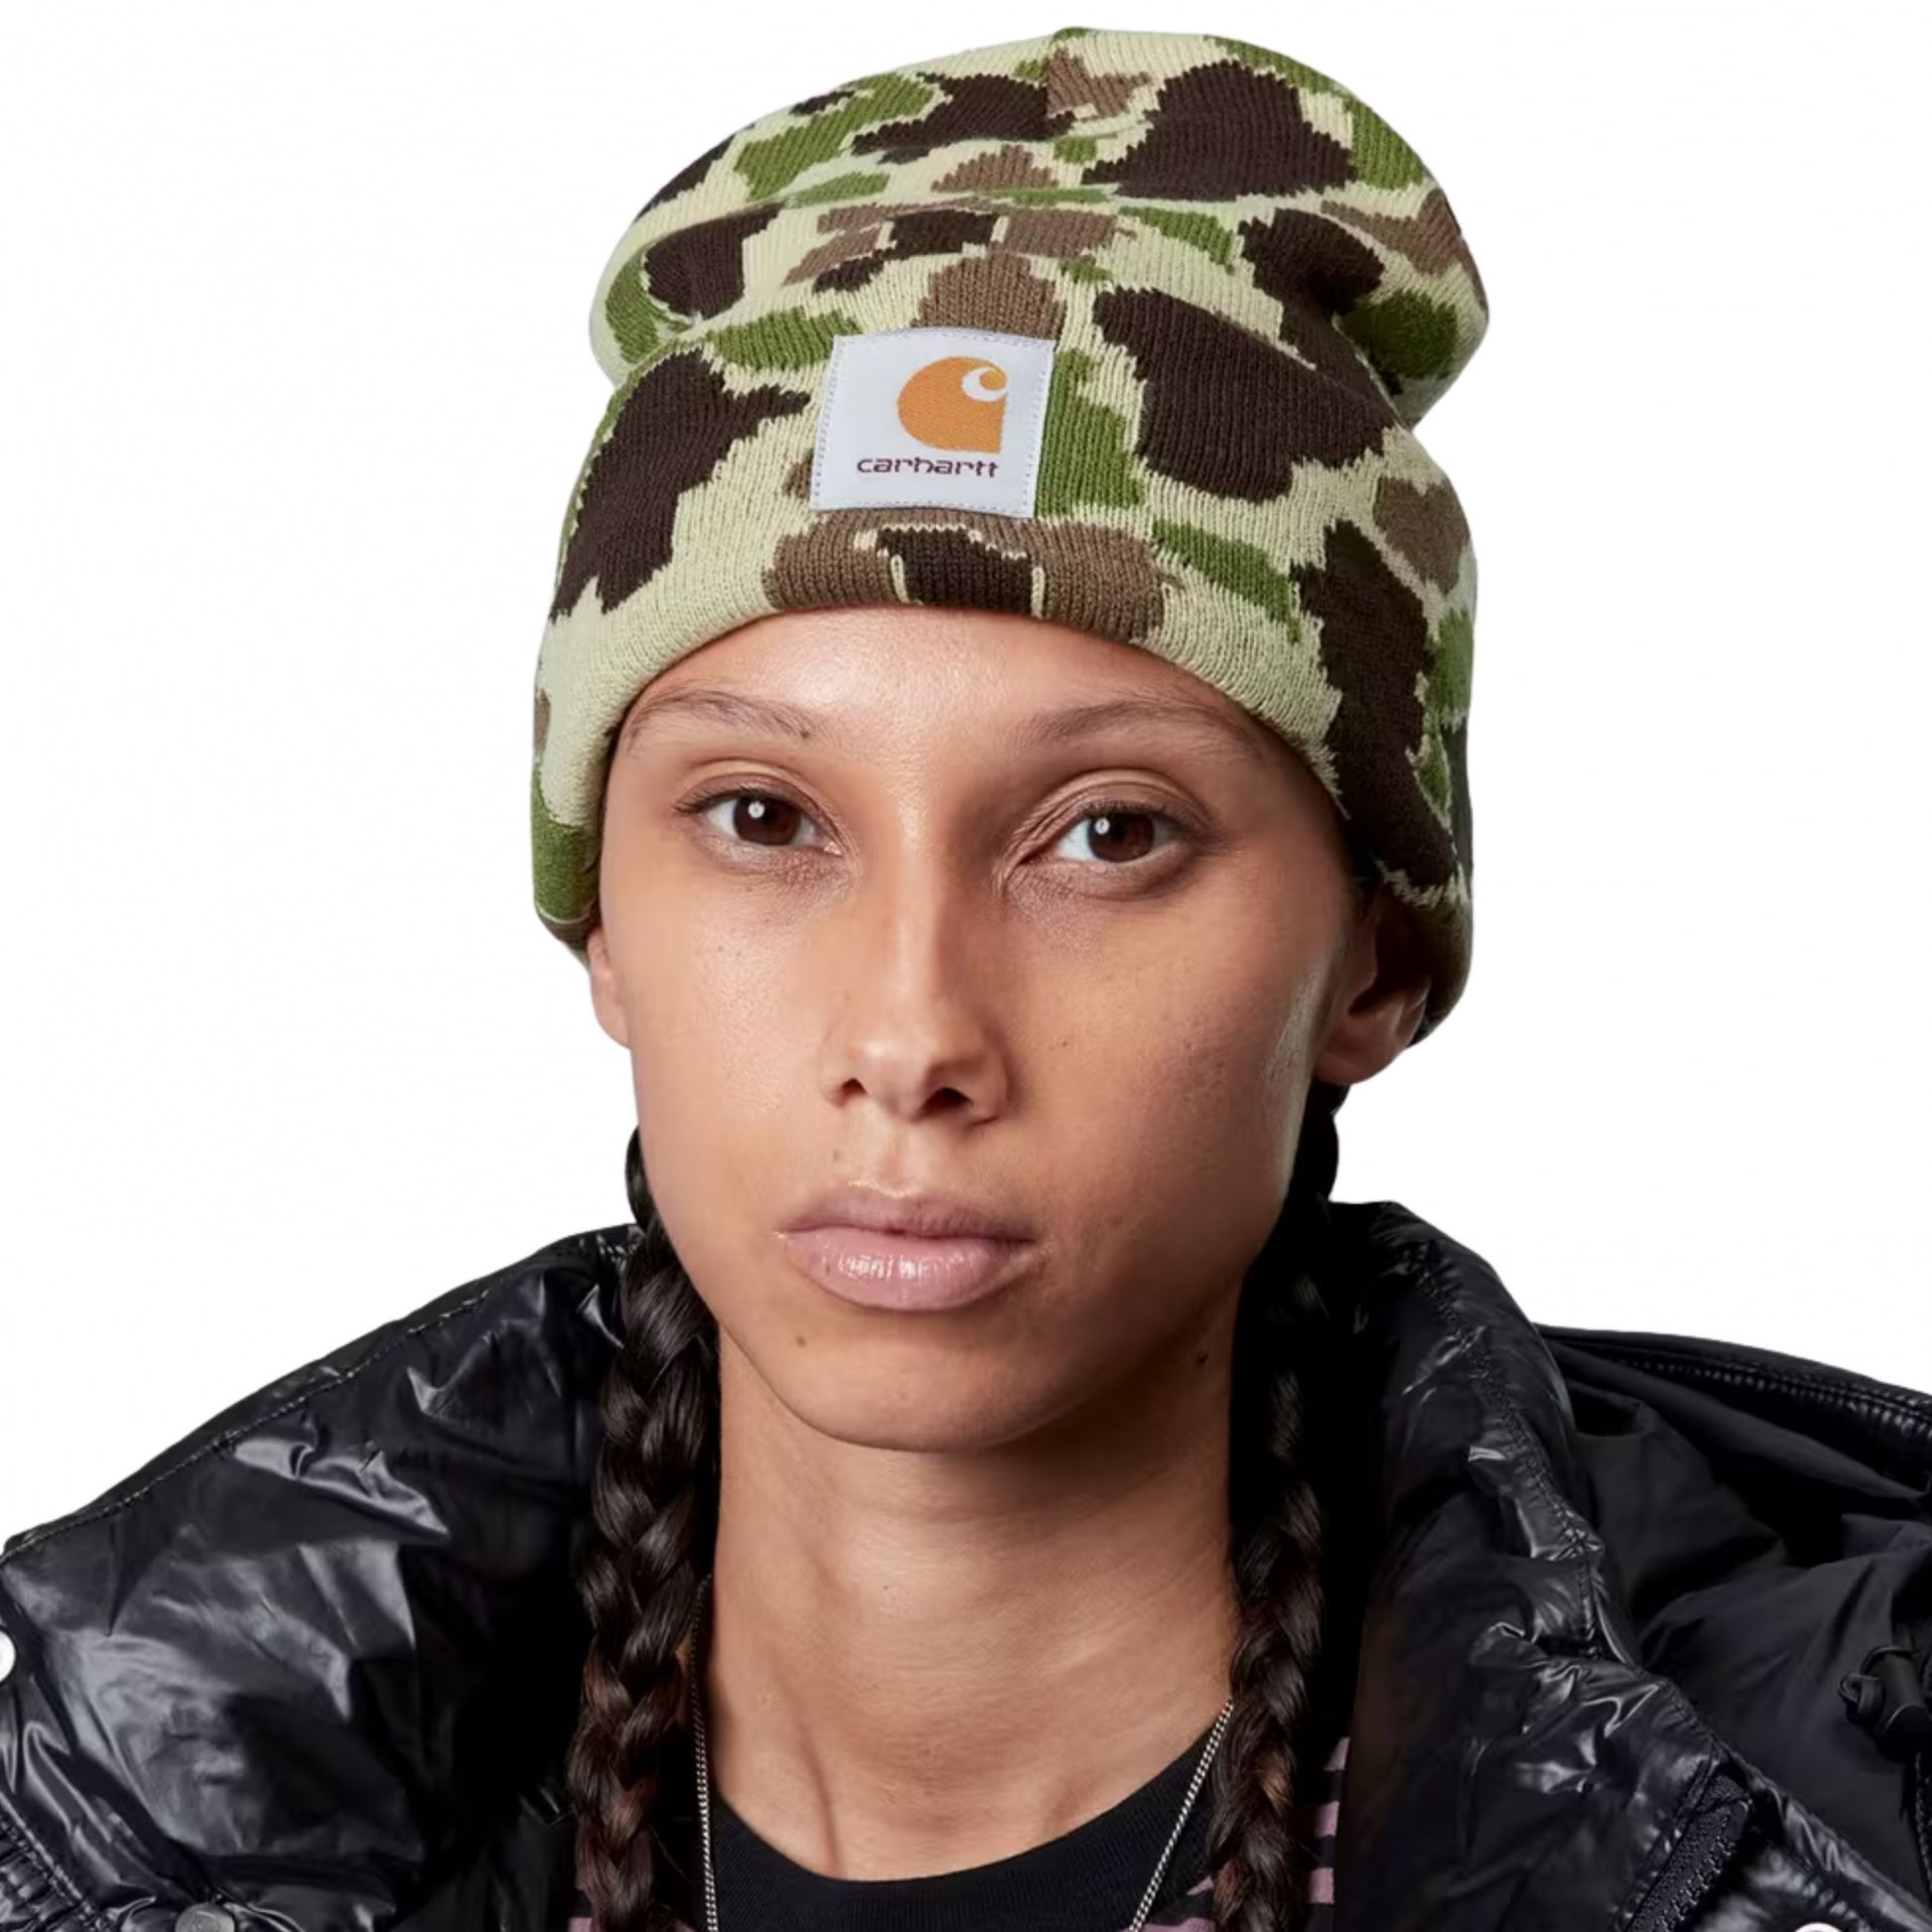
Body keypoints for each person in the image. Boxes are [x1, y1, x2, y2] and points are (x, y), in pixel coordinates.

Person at [1, 22, 1928, 1932]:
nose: (910, 1033)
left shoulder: (1835, 1833)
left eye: (1108, 834)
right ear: (601, 924)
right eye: (763, 817)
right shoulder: (119, 1821)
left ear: (1376, 957)